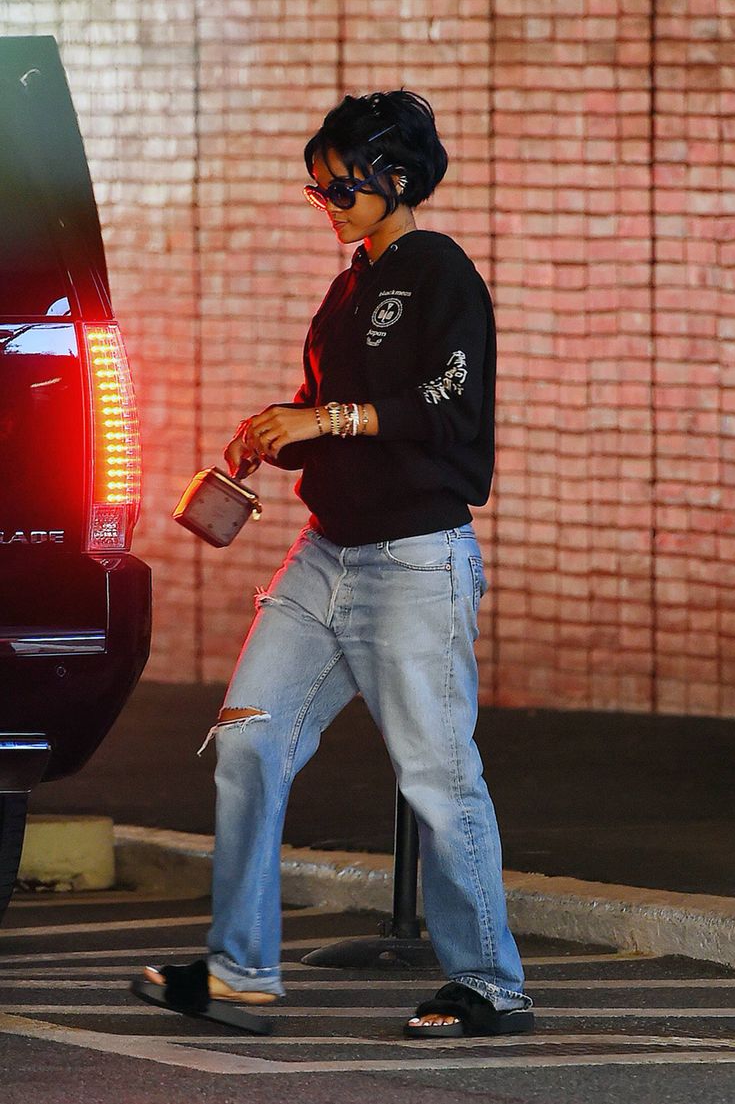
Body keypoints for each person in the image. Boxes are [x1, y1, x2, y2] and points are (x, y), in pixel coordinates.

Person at [132, 89, 534, 1040]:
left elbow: (447, 404)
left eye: (341, 188)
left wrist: (325, 418)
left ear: (396, 179)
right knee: (246, 740)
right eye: (317, 191)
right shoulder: (349, 287)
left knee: (438, 773)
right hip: (325, 557)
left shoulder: (440, 272)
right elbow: (333, 409)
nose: (329, 205)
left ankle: (491, 984)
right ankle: (240, 972)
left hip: (414, 562)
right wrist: (278, 432)